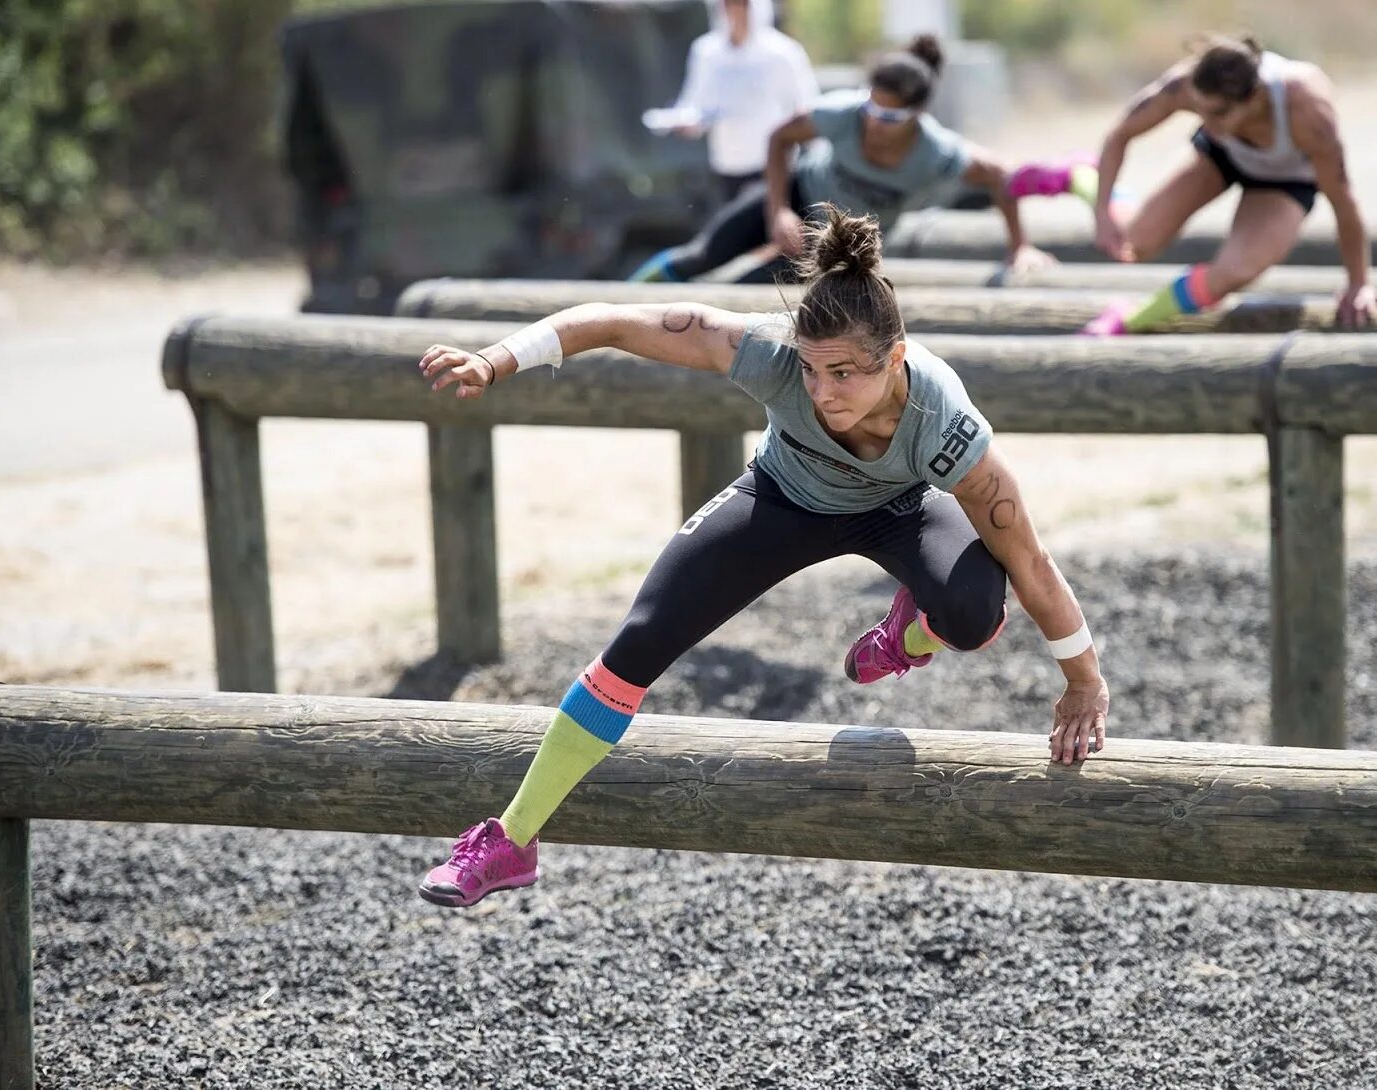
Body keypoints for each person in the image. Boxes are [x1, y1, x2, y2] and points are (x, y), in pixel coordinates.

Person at [416, 204, 1112, 907]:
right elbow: (614, 321)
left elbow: (1031, 561)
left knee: (974, 613)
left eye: (844, 374)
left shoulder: (948, 427)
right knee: (637, 642)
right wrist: (496, 360)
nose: (821, 392)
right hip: (782, 499)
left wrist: (1082, 681)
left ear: (895, 360)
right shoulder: (767, 352)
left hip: (897, 511)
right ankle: (510, 841)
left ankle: (907, 633)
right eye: (811, 371)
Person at [631, 34, 1071, 284]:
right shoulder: (843, 113)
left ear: (916, 115)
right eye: (871, 108)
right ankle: (623, 302)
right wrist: (779, 209)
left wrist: (1020, 247)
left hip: (845, 241)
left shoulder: (935, 152)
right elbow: (780, 137)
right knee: (702, 255)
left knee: (749, 288)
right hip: (802, 191)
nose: (874, 122)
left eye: (889, 115)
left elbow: (1002, 177)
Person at [1035, 34, 1377, 335]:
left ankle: (1127, 320)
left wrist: (1358, 283)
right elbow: (1120, 134)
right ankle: (1081, 176)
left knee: (1235, 273)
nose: (1205, 120)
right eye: (1199, 111)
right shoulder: (1187, 85)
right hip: (1221, 156)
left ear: (1256, 98)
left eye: (1217, 113)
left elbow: (1343, 201)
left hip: (1287, 178)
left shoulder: (1308, 110)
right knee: (1131, 246)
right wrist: (1101, 215)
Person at [651, 0, 819, 204]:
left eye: (741, 4)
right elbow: (694, 103)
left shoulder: (783, 52)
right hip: (728, 165)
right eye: (728, 4)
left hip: (773, 166)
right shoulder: (706, 52)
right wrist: (685, 122)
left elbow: (806, 104)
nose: (734, 11)